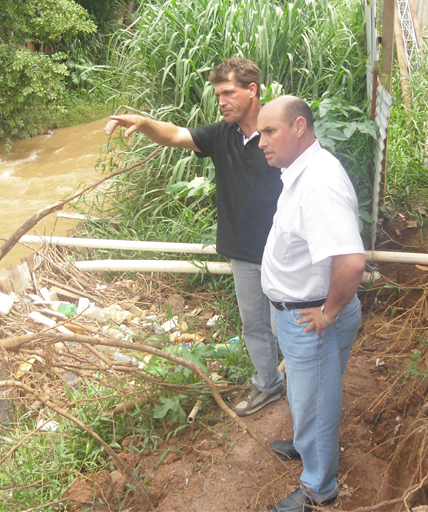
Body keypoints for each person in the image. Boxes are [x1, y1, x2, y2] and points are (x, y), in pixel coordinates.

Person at [104, 58, 286, 416]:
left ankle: (304, 391)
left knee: (288, 329)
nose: (221, 101)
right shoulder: (222, 135)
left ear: (252, 90)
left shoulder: (278, 132)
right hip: (244, 253)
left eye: (228, 93)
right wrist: (143, 124)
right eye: (218, 94)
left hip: (284, 253)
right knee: (255, 326)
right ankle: (269, 385)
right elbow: (174, 134)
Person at [257, 95, 366, 512]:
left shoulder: (318, 184)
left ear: (299, 127)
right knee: (308, 396)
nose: (260, 140)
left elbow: (351, 261)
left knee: (317, 402)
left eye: (270, 131)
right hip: (301, 314)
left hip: (312, 318)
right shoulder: (300, 171)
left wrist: (328, 313)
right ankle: (306, 448)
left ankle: (319, 488)